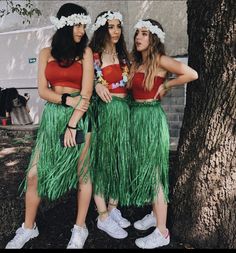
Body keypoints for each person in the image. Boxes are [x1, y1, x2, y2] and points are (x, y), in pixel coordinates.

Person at [5, 3, 94, 249]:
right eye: (77, 24)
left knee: (83, 174)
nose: (82, 29)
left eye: (84, 25)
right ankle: (28, 228)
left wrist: (72, 124)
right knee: (33, 175)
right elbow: (43, 91)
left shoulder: (86, 53)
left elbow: (86, 94)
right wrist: (65, 99)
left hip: (80, 118)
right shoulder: (46, 53)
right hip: (53, 118)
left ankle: (80, 228)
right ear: (65, 25)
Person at [128, 19, 198, 249]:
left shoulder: (160, 59)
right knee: (147, 169)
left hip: (151, 119)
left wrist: (167, 85)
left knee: (156, 173)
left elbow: (191, 74)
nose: (139, 37)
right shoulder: (137, 61)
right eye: (137, 33)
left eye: (144, 34)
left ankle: (162, 231)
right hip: (137, 117)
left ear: (154, 38)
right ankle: (154, 214)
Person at [88, 11, 131, 239]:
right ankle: (102, 216)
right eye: (110, 27)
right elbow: (87, 79)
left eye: (118, 26)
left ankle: (113, 209)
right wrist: (96, 84)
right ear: (101, 29)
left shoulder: (124, 54)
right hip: (106, 112)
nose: (115, 31)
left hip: (124, 111)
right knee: (104, 161)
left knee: (119, 160)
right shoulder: (93, 55)